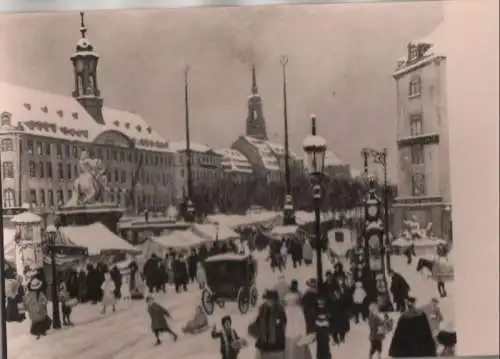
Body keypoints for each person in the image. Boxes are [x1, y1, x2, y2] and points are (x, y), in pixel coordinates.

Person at [248, 289, 287, 359]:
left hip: (275, 344)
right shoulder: (263, 308)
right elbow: (258, 321)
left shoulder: (279, 310)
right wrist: (253, 328)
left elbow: (283, 324)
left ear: (275, 300)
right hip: (263, 342)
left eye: (270, 300)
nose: (268, 302)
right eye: (267, 300)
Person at [283, 281, 312, 359]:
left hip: (293, 335)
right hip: (291, 335)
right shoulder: (291, 310)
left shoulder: (292, 310)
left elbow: (302, 323)